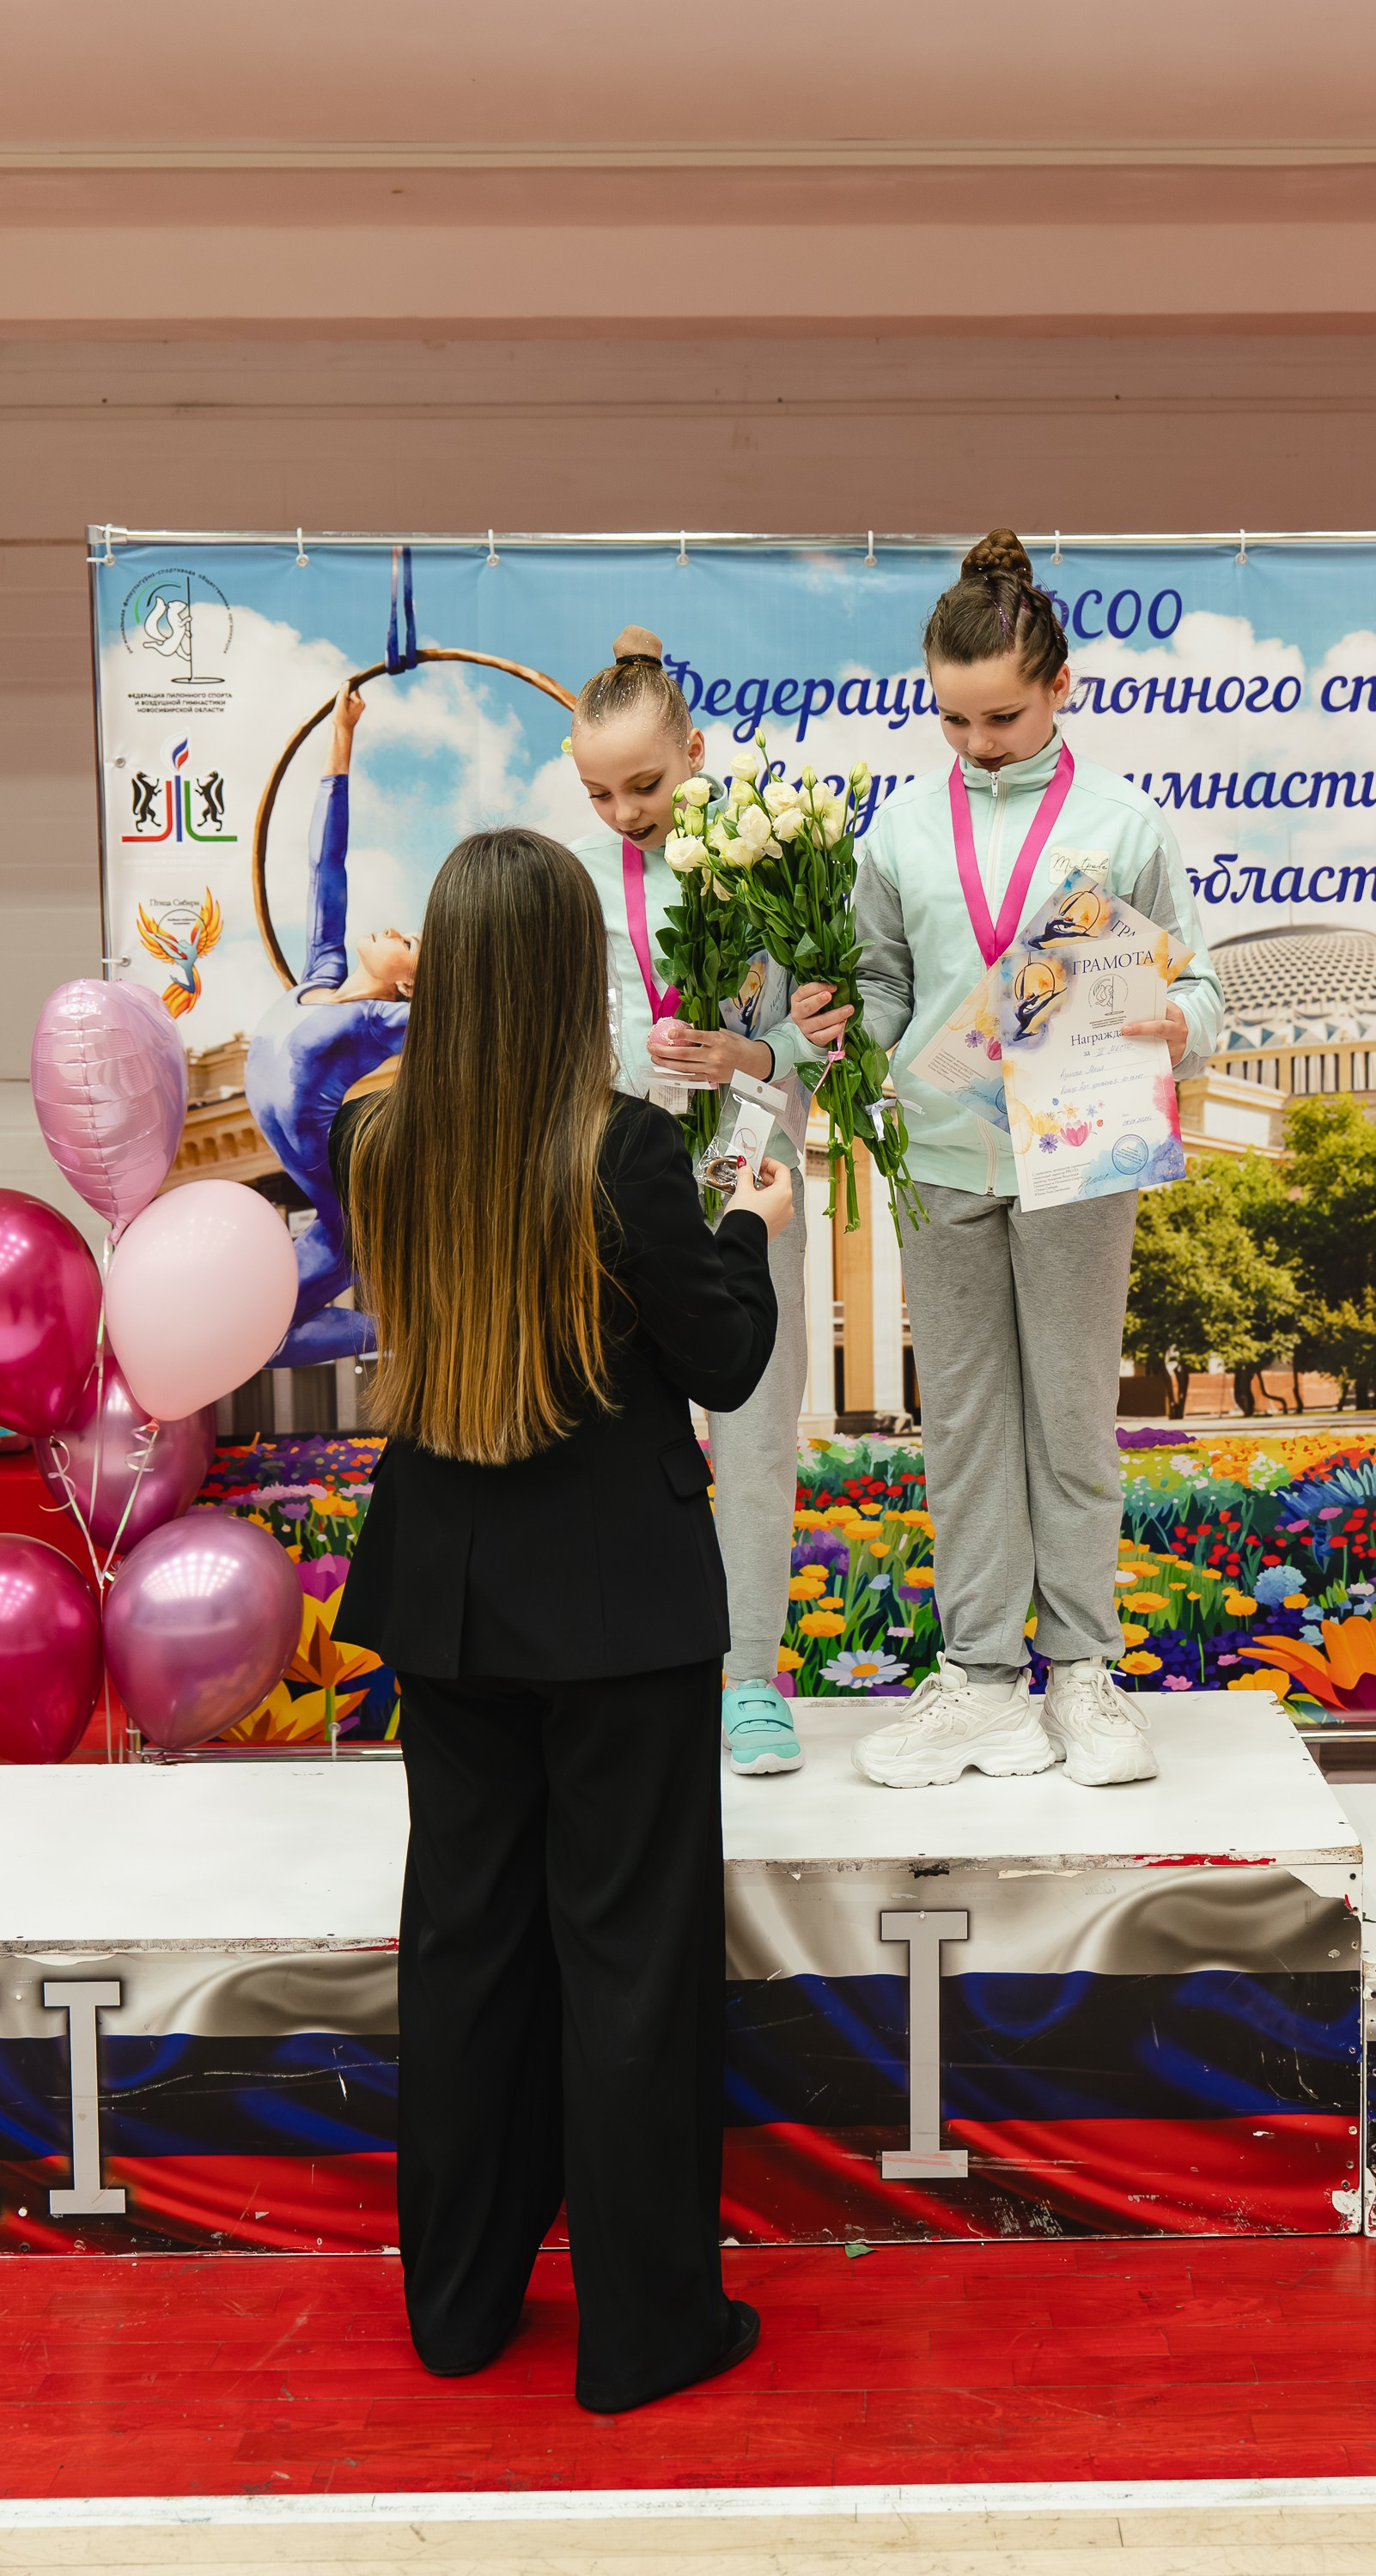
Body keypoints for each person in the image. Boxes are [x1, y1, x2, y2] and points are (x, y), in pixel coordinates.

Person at [331, 825, 794, 2413]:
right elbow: (723, 1361)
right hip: (619, 1610)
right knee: (628, 1966)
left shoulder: (376, 1134)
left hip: (450, 1600)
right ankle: (644, 2333)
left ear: (450, 972)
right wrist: (751, 1223)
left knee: (466, 1955)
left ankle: (456, 2307)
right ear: (570, 973)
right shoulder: (625, 1152)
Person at [822, 529, 1223, 1789]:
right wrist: (851, 1036)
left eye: (1001, 715)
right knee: (967, 1424)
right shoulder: (896, 831)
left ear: (1062, 688)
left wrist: (1178, 1021)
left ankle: (1087, 1678)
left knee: (1070, 1418)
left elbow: (1201, 986)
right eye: (953, 720)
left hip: (1081, 1156)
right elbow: (883, 979)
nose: (979, 740)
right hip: (939, 1155)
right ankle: (984, 1681)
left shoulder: (1125, 823)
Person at [567, 628, 845, 1778]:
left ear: (694, 751)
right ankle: (635, 1676)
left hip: (749, 1181)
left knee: (757, 1433)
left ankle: (747, 1681)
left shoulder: (775, 870)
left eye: (647, 783)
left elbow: (822, 1047)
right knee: (620, 1431)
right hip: (618, 1189)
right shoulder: (573, 888)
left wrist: (749, 1053)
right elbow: (567, 1046)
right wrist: (638, 1069)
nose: (626, 811)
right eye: (599, 792)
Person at [245, 680, 418, 1366]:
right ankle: (408, 1336)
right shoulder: (320, 971)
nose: (395, 928)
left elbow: (479, 1016)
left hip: (356, 1215)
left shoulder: (382, 1021)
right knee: (251, 1330)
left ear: (408, 982)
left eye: (408, 941)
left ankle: (407, 1339)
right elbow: (326, 865)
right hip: (338, 1216)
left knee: (258, 1335)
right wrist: (341, 741)